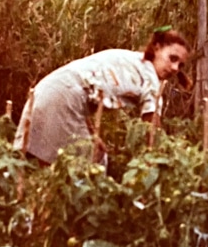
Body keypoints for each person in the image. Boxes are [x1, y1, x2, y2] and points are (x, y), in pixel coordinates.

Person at [13, 29, 190, 164]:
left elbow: (85, 89)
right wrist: (169, 160)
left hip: (47, 90)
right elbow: (152, 131)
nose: (175, 68)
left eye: (180, 65)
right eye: (172, 58)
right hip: (64, 99)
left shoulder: (134, 61)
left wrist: (92, 134)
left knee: (89, 158)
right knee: (78, 171)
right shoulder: (151, 78)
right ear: (157, 48)